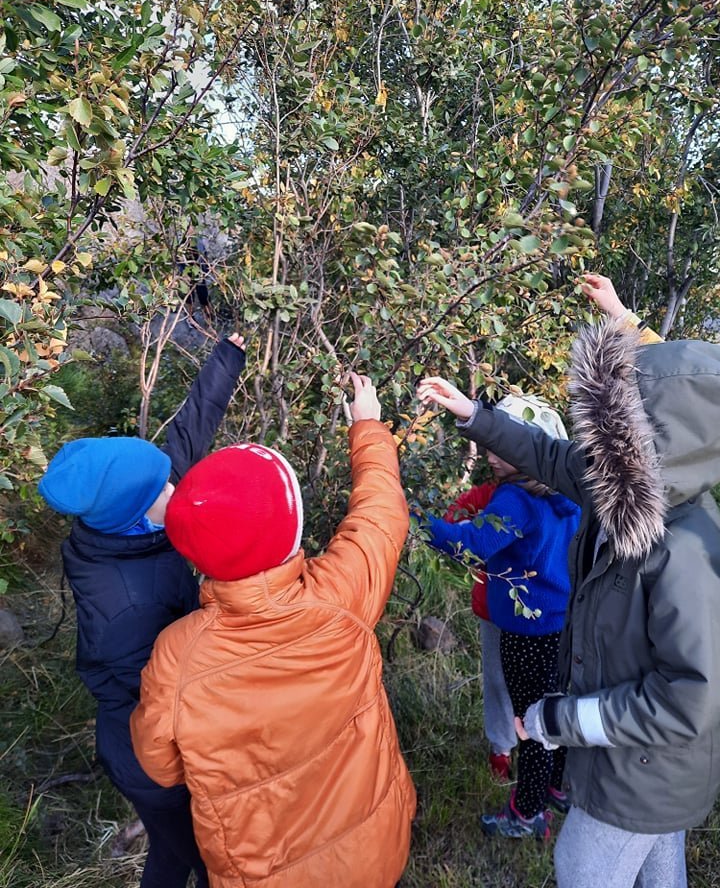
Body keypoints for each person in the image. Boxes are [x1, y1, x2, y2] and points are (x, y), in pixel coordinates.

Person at [417, 313, 720, 887]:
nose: (590, 448)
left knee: (581, 867)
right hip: (637, 756)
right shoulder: (619, 484)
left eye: (609, 432)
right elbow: (550, 456)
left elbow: (690, 699)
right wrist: (474, 417)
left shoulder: (682, 550)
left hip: (647, 768)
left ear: (648, 443)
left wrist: (562, 717)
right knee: (659, 871)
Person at [130, 373, 416, 888]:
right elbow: (380, 518)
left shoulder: (177, 655)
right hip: (369, 856)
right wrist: (368, 426)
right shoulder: (339, 600)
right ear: (291, 533)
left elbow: (161, 767)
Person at [38, 333, 246, 888]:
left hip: (157, 736)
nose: (177, 488)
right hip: (145, 753)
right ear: (136, 515)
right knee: (202, 857)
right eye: (165, 490)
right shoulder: (127, 607)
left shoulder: (129, 511)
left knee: (176, 853)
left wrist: (227, 356)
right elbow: (158, 696)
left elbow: (186, 434)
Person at [414, 395, 579, 839]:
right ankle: (560, 789)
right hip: (562, 625)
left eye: (498, 441)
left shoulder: (515, 501)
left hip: (526, 632)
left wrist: (413, 518)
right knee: (555, 709)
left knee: (529, 722)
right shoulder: (565, 493)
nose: (489, 449)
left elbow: (471, 545)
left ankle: (526, 812)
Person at [444, 478, 517, 782]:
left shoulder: (552, 496)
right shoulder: (489, 493)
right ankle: (501, 749)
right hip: (492, 610)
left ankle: (539, 746)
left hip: (541, 614)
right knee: (498, 679)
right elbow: (454, 516)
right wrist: (474, 532)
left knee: (535, 682)